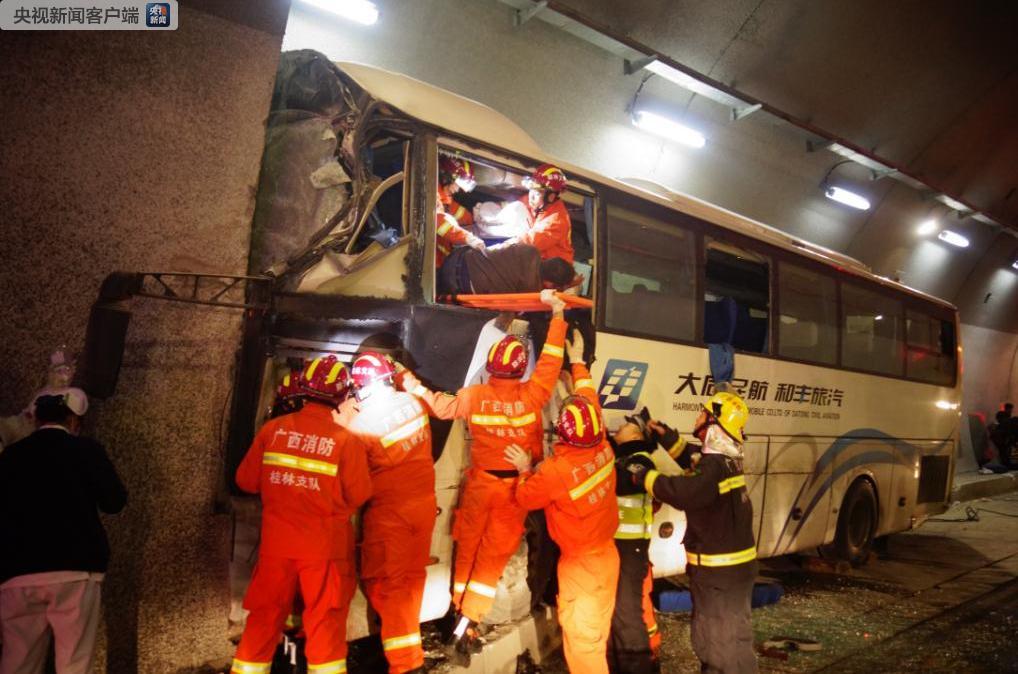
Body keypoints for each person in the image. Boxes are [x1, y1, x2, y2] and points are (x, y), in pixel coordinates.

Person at [399, 289, 568, 658]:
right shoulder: (532, 395)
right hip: (512, 491)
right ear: (520, 366)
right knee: (490, 562)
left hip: (479, 485)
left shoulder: (474, 396)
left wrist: (410, 383)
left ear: (491, 366)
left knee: (467, 552)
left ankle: (458, 614)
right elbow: (552, 362)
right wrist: (557, 317)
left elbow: (441, 408)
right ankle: (468, 623)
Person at [232, 355, 373, 674]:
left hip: (276, 547)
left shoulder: (274, 430)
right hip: (322, 552)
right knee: (324, 622)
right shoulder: (345, 442)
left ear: (304, 388)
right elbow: (361, 494)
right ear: (341, 396)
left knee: (264, 618)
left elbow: (245, 481)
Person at [505, 330, 619, 674]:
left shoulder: (556, 471)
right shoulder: (602, 447)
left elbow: (526, 496)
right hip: (606, 558)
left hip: (581, 568)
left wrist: (525, 469)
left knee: (584, 648)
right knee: (595, 636)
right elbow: (588, 397)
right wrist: (579, 362)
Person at [623, 392, 757, 674]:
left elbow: (683, 491)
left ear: (713, 425)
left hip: (719, 579)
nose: (696, 418)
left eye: (702, 415)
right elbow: (694, 460)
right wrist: (666, 437)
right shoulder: (725, 461)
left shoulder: (715, 468)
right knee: (728, 640)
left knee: (721, 646)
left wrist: (641, 474)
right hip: (729, 576)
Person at [0, 391, 127, 674]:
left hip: (16, 574)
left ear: (35, 420)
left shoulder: (9, 456)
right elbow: (114, 501)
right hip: (76, 571)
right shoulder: (86, 450)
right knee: (73, 662)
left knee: (17, 661)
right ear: (73, 420)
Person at [348, 352, 436, 674]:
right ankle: (411, 654)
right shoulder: (414, 403)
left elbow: (354, 485)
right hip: (424, 508)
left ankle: (407, 666)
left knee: (386, 587)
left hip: (390, 516)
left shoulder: (360, 425)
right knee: (412, 583)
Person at [606, 414, 660, 674]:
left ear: (637, 436)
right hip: (619, 547)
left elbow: (622, 482)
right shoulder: (623, 458)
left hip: (631, 549)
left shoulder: (640, 461)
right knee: (617, 613)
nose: (620, 425)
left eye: (627, 425)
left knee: (628, 615)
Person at [492, 164, 574, 265]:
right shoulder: (537, 202)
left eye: (538, 192)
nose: (531, 196)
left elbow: (531, 241)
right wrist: (490, 210)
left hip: (553, 273)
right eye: (531, 189)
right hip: (537, 262)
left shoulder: (558, 219)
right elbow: (515, 207)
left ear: (551, 197)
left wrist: (502, 247)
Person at [437, 242, 576, 296]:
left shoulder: (530, 250)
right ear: (550, 284)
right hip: (457, 286)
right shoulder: (531, 290)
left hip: (457, 258)